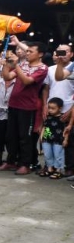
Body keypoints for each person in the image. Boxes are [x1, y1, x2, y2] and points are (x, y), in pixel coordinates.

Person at [0, 39, 48, 175]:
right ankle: (11, 161)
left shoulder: (42, 68)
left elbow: (27, 80)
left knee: (25, 137)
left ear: (40, 54)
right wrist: (7, 65)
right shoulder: (23, 63)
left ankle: (26, 164)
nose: (27, 53)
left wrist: (16, 65)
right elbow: (7, 77)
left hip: (28, 108)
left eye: (31, 51)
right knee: (10, 136)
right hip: (13, 104)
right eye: (27, 51)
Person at [47, 44, 74, 177]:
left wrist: (70, 111)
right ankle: (58, 167)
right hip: (55, 109)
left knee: (68, 139)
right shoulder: (69, 67)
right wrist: (58, 62)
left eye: (65, 51)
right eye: (60, 51)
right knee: (56, 138)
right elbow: (59, 77)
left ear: (71, 54)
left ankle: (67, 167)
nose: (62, 53)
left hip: (69, 107)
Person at [39, 97, 67, 179]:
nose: (50, 110)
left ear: (60, 108)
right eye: (49, 108)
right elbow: (44, 126)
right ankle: (50, 168)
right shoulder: (47, 117)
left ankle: (58, 170)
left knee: (58, 155)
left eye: (53, 108)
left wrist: (65, 139)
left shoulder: (63, 118)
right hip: (46, 139)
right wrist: (41, 137)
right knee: (48, 155)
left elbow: (66, 130)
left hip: (58, 140)